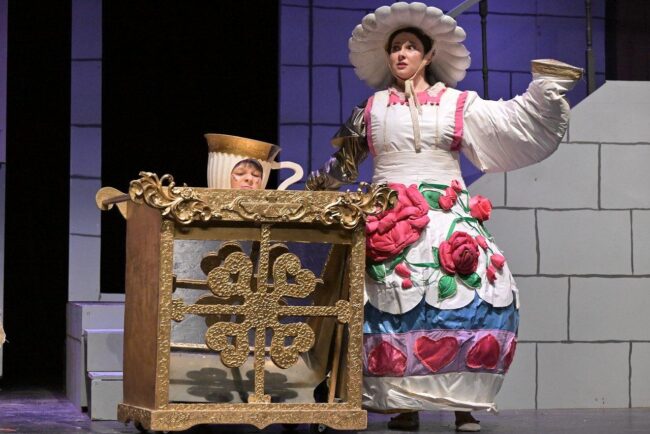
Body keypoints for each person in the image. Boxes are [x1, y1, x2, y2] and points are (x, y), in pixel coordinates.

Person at [307, 2, 582, 432]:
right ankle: (402, 405)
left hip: (447, 219)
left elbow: (509, 121)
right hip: (387, 221)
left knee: (471, 299)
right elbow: (344, 164)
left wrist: (542, 92)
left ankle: (462, 406)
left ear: (428, 56)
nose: (401, 54)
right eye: (395, 48)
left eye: (410, 47)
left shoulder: (457, 103)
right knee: (388, 306)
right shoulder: (371, 108)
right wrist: (313, 188)